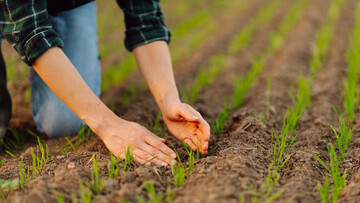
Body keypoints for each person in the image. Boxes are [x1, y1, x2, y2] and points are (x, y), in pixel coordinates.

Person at [0, 0, 210, 166]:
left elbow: (146, 20)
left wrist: (169, 101)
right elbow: (31, 34)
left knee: (67, 121)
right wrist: (110, 126)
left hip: (67, 5)